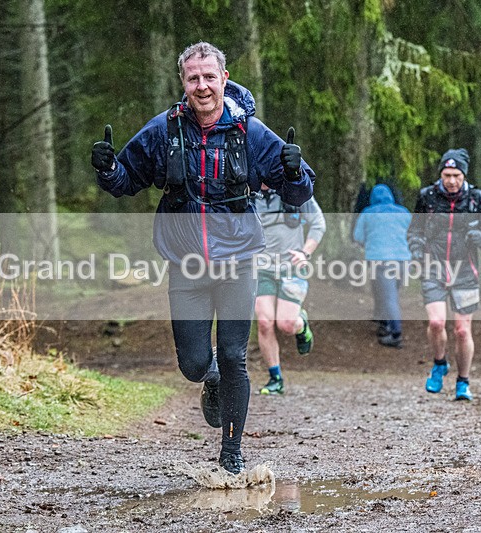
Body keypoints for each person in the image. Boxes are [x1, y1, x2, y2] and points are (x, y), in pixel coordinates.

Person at [90, 42, 315, 474]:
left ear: (224, 78)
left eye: (209, 76)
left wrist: (292, 170)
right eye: (193, 78)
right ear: (183, 83)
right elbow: (126, 180)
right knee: (195, 364)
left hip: (239, 261)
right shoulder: (165, 129)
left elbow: (297, 194)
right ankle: (208, 378)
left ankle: (232, 452)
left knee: (234, 356)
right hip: (187, 264)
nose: (202, 85)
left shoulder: (250, 132)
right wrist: (106, 169)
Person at [407, 148, 481, 401]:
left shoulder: (477, 200)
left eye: (456, 175)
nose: (451, 180)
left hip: (465, 272)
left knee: (461, 330)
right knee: (436, 322)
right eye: (447, 174)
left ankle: (463, 382)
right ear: (441, 174)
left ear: (464, 175)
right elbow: (414, 230)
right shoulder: (427, 197)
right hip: (433, 268)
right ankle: (439, 364)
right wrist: (416, 250)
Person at [254, 184, 325, 395]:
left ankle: (301, 325)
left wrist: (305, 252)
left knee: (286, 325)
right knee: (265, 322)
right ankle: (275, 378)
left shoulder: (294, 190)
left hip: (293, 267)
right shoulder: (248, 191)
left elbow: (318, 223)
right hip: (261, 268)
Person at [353, 183, 411, 349]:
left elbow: (357, 236)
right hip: (403, 260)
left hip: (380, 260)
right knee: (391, 293)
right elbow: (412, 233)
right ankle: (384, 322)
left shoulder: (368, 213)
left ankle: (395, 334)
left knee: (388, 297)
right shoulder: (404, 213)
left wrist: (370, 243)